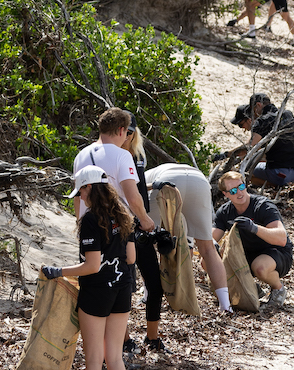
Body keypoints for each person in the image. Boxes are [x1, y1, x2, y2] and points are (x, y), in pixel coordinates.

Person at [41, 166, 137, 370]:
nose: (81, 197)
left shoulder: (91, 220)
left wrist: (58, 272)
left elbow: (92, 266)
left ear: (90, 188)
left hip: (97, 291)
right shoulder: (124, 214)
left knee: (94, 358)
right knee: (114, 357)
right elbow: (131, 258)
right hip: (122, 289)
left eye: (81, 191)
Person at [145, 162, 234, 314]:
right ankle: (225, 305)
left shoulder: (143, 174)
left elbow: (135, 192)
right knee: (208, 248)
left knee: (148, 240)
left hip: (167, 179)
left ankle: (149, 295)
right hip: (199, 180)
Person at [213, 171, 294, 310]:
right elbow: (211, 239)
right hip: (245, 255)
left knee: (260, 267)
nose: (239, 193)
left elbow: (281, 238)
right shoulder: (225, 212)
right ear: (225, 194)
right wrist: (212, 245)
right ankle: (250, 287)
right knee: (208, 260)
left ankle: (278, 289)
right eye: (233, 190)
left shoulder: (263, 206)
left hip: (275, 252)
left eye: (241, 186)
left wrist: (255, 228)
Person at [119, 124, 167, 351]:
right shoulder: (114, 157)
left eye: (131, 132)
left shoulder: (137, 156)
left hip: (141, 228)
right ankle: (125, 340)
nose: (127, 135)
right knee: (124, 286)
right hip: (122, 228)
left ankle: (153, 337)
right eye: (124, 131)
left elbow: (134, 189)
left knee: (155, 284)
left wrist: (153, 186)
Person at [73, 109, 155, 236]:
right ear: (122, 130)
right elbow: (132, 197)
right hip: (116, 229)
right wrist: (145, 220)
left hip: (88, 227)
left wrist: (80, 227)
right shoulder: (123, 156)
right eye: (127, 132)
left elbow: (78, 197)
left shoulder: (80, 155)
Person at [245, 93, 294, 188]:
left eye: (253, 110)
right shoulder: (287, 114)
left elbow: (250, 147)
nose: (254, 114)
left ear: (258, 105)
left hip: (280, 173)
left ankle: (277, 186)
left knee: (249, 171)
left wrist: (226, 154)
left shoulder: (262, 121)